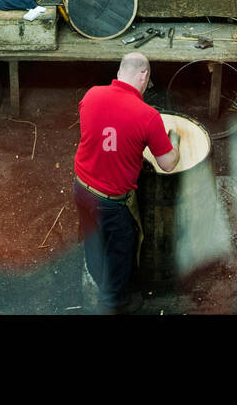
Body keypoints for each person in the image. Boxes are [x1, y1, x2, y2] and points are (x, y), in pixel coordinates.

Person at [73, 53, 179, 314]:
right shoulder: (148, 116)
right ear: (143, 75)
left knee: (92, 238)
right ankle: (114, 303)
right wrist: (174, 141)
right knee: (120, 253)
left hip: (81, 187)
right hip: (112, 203)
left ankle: (97, 277)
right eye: (148, 80)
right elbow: (167, 164)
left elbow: (98, 133)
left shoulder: (91, 95)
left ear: (120, 72)